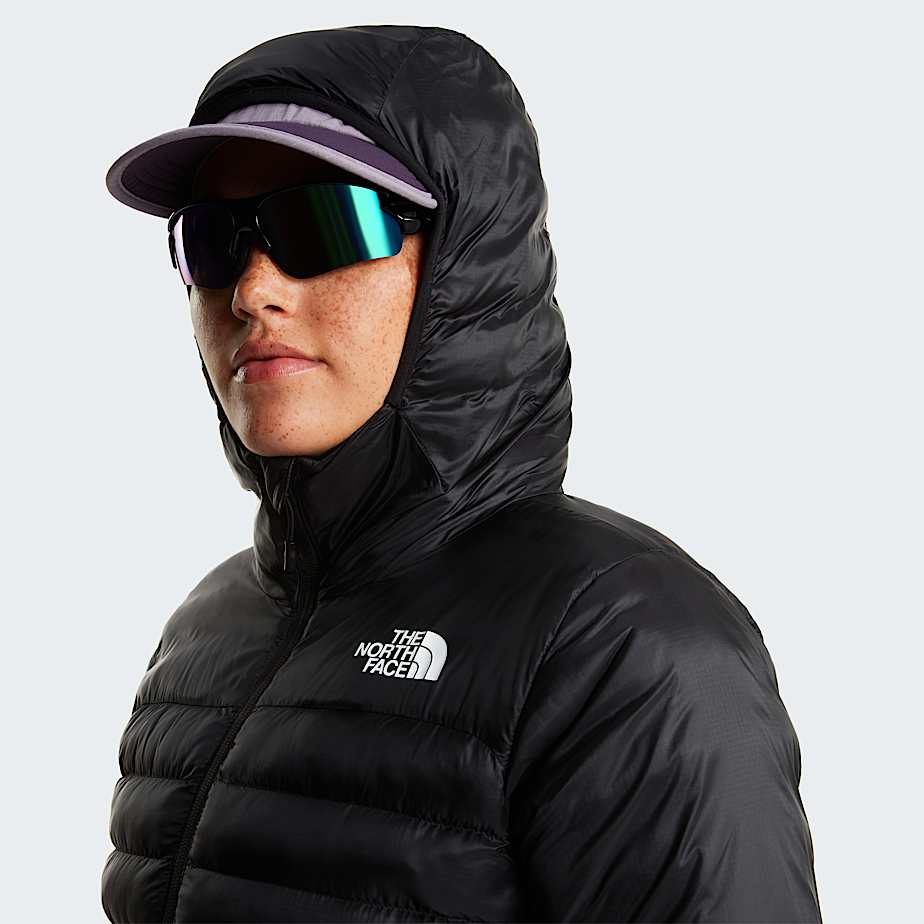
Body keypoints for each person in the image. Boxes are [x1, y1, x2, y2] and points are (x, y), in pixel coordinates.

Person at [101, 24, 822, 924]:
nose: (252, 291)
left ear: (463, 264)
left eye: (324, 223)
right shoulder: (206, 631)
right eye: (211, 241)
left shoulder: (627, 642)